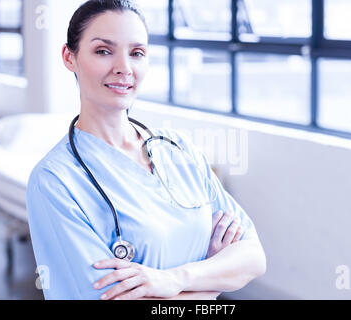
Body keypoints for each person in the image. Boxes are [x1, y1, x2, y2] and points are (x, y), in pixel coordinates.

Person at [26, 0, 266, 300]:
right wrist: (212, 282)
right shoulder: (55, 180)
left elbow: (254, 257)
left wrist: (176, 279)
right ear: (69, 57)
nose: (124, 68)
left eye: (137, 53)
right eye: (103, 51)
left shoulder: (179, 150)